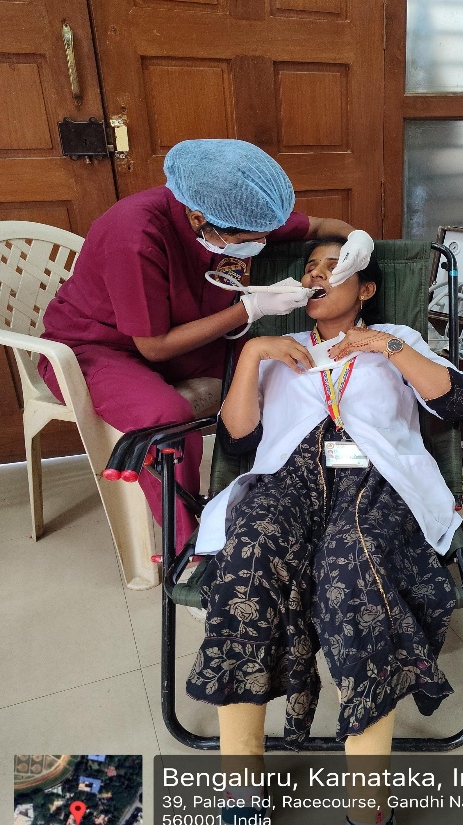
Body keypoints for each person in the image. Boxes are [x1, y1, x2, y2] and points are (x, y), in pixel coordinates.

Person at [187, 238, 463, 825]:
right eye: (309, 270)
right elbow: (238, 435)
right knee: (246, 571)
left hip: (376, 482)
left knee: (359, 576)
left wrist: (388, 349)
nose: (316, 277)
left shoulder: (397, 337)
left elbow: (457, 405)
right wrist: (255, 352)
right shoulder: (279, 349)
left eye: (331, 269)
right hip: (288, 480)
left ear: (365, 289)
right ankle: (240, 813)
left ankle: (367, 823)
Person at [37, 139, 374, 553]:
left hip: (190, 333)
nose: (261, 244)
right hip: (99, 347)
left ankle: (278, 494)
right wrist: (250, 308)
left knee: (274, 377)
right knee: (165, 416)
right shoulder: (134, 235)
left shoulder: (242, 212)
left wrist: (358, 236)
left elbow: (322, 226)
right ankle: (186, 547)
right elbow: (155, 346)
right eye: (252, 240)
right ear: (200, 219)